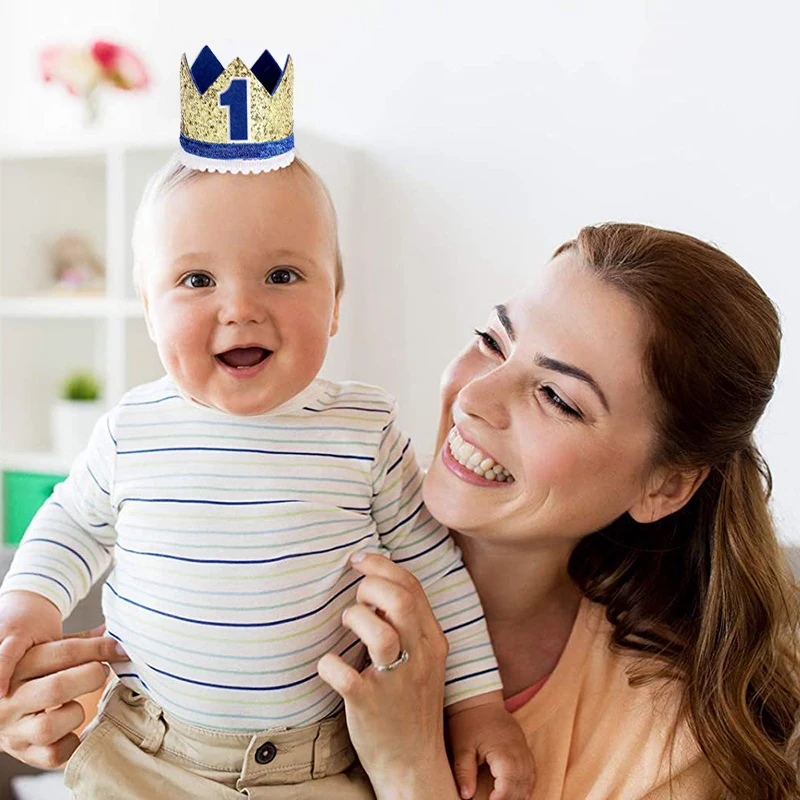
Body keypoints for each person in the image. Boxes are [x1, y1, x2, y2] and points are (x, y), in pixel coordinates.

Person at [0, 46, 532, 799]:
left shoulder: (364, 430)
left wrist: (476, 705)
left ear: (336, 301)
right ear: (149, 312)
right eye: (196, 280)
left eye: (283, 275)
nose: (241, 306)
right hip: (141, 750)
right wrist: (26, 603)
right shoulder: (133, 430)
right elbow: (72, 525)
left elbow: (435, 574)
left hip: (318, 761)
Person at [316, 223, 800, 798]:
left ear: (666, 488)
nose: (473, 398)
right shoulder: (282, 547)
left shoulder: (669, 741)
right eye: (493, 341)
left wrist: (411, 772)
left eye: (557, 398)